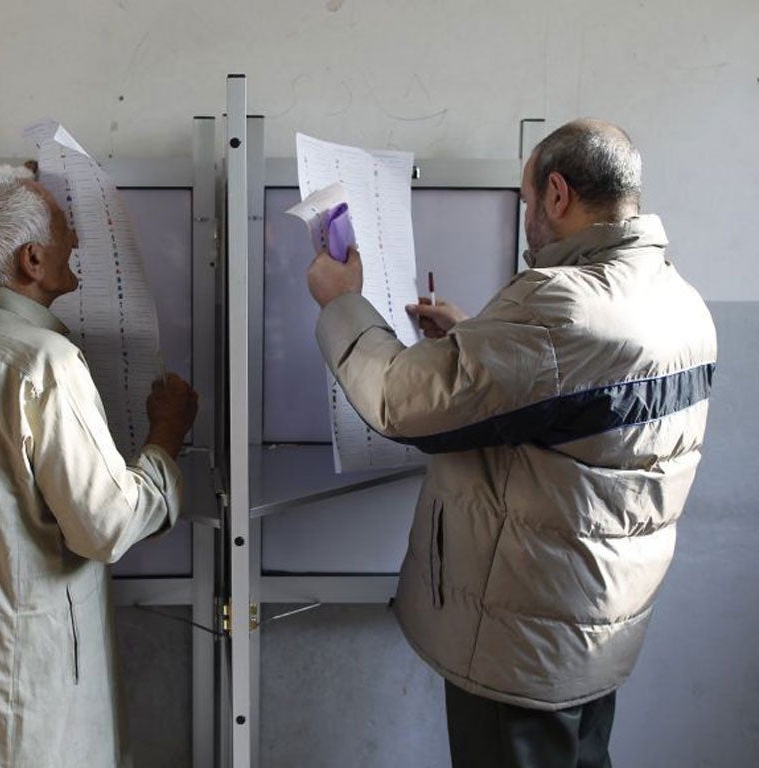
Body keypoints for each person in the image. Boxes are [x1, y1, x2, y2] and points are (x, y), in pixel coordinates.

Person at [306, 119, 716, 767]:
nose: (526, 218)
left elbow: (394, 398)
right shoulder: (678, 301)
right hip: (595, 629)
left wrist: (343, 302)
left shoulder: (559, 308)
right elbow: (580, 406)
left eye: (526, 201)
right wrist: (476, 337)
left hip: (521, 649)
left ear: (557, 194)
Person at [0, 164, 197, 767]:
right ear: (32, 260)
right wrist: (166, 436)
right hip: (12, 670)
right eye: (61, 225)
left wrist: (19, 189)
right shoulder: (43, 363)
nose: (75, 238)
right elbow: (104, 527)